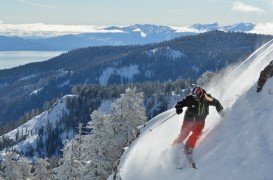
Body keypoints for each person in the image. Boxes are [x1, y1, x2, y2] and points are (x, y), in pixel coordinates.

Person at [173, 86, 223, 155]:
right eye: (194, 95)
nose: (195, 97)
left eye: (196, 95)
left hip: (200, 121)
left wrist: (221, 112)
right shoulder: (190, 98)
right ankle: (174, 147)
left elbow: (216, 103)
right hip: (189, 120)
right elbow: (180, 103)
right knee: (184, 134)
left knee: (196, 133)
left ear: (201, 94)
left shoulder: (207, 98)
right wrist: (179, 108)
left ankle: (188, 147)